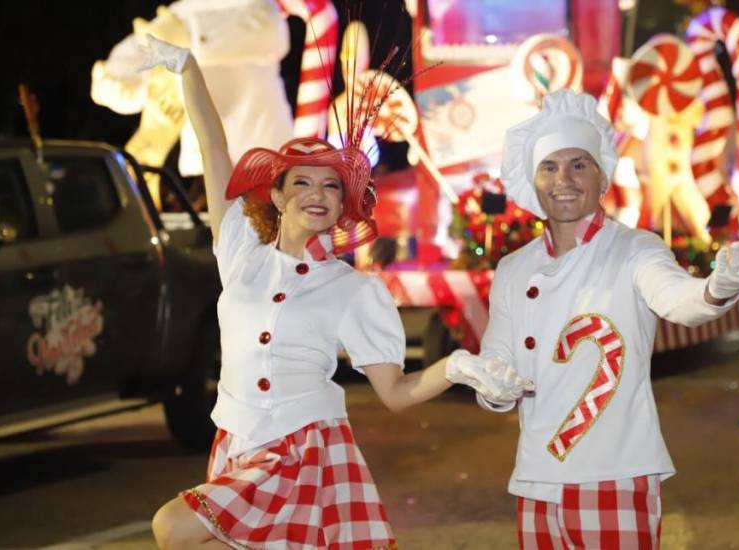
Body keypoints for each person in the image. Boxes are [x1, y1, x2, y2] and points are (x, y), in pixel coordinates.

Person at [139, 35, 533, 550]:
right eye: (302, 183)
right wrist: (188, 68)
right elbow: (215, 149)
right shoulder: (241, 252)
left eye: (330, 186)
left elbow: (395, 392)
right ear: (277, 195)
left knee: (173, 527)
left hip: (302, 452)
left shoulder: (353, 290)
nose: (317, 196)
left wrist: (457, 366)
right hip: (236, 441)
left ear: (343, 203)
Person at [472, 88, 739, 549]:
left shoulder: (634, 249)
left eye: (579, 163)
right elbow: (498, 357)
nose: (564, 178)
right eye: (549, 166)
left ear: (603, 178)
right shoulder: (513, 268)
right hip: (537, 481)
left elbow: (680, 299)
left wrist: (718, 286)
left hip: (616, 476)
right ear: (533, 180)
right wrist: (492, 387)